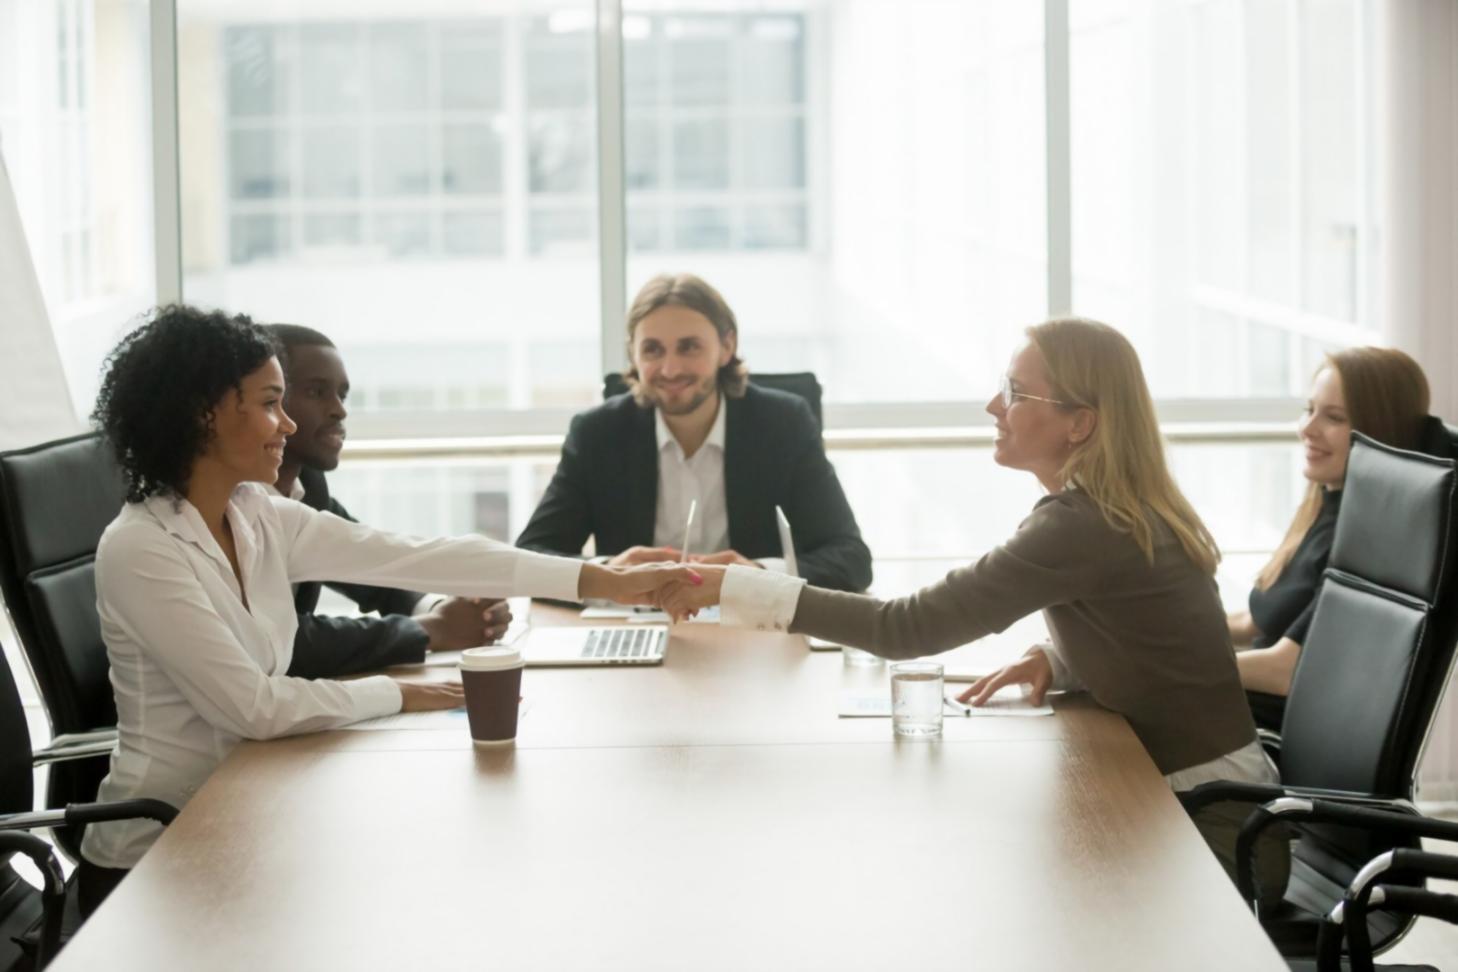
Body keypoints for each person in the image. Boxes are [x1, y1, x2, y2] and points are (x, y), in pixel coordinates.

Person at [79, 306, 696, 914]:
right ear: (203, 414)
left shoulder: (256, 515)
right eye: (270, 403)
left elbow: (419, 558)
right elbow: (256, 710)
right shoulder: (141, 548)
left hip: (254, 813)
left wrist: (610, 582)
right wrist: (400, 694)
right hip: (156, 859)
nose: (287, 424)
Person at [658, 317, 1290, 906]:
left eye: (1016, 393)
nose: (994, 408)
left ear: (1080, 424)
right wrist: (1058, 657)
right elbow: (1150, 630)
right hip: (1217, 801)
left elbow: (904, 628)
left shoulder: (1083, 525)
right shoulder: (1116, 508)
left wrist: (733, 587)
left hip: (1212, 830)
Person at [516, 272, 872, 593]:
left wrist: (759, 574)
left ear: (726, 347)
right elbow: (530, 558)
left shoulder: (784, 423)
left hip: (750, 628)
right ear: (633, 355)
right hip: (641, 626)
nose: (670, 369)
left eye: (689, 347)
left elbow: (851, 559)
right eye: (652, 349)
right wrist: (609, 575)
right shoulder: (597, 434)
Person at [266, 323, 511, 680]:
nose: (339, 410)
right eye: (317, 391)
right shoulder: (225, 503)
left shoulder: (308, 486)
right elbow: (284, 640)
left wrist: (446, 609)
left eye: (343, 395)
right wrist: (431, 630)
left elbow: (372, 569)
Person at [1230, 348, 1430, 731]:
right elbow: (1250, 621)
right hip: (1238, 715)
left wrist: (1171, 672)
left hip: (1263, 733)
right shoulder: (1326, 503)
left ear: (1379, 430)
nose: (1308, 428)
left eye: (1334, 417)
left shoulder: (1366, 540)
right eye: (1310, 409)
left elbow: (1285, 670)